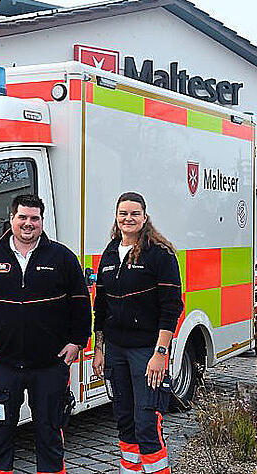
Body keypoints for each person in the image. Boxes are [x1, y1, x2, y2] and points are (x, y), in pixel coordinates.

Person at [0, 194, 91, 474]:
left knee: (49, 432)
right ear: (11, 219)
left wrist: (76, 342)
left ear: (42, 222)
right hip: (1, 365)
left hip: (49, 366)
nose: (28, 224)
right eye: (22, 217)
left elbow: (81, 303)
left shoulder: (62, 257)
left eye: (34, 218)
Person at [92, 192, 184, 474]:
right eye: (123, 213)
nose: (128, 218)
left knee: (146, 422)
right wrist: (99, 348)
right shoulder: (110, 252)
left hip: (147, 350)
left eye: (134, 213)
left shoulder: (160, 254)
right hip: (116, 351)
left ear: (145, 217)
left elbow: (171, 307)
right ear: (116, 217)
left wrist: (160, 353)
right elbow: (101, 305)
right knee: (124, 420)